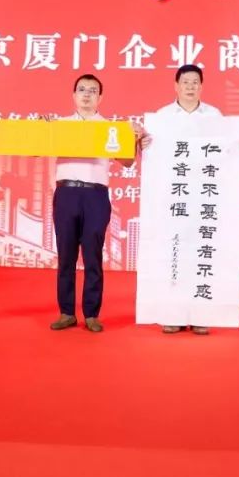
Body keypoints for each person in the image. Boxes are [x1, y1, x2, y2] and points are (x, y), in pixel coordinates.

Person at [139, 64, 221, 335]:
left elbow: (225, 152)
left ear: (201, 86)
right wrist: (143, 145)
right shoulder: (161, 117)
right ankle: (172, 313)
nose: (190, 86)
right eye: (185, 82)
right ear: (176, 85)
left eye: (195, 82)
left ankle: (200, 314)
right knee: (173, 254)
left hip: (203, 198)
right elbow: (154, 156)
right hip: (173, 199)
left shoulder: (214, 117)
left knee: (201, 255)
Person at [50, 73, 135, 333]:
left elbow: (128, 161)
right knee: (66, 256)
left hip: (95, 196)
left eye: (92, 90)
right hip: (66, 193)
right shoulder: (59, 125)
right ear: (74, 95)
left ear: (100, 97)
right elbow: (34, 151)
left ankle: (91, 314)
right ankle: (66, 312)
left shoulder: (111, 128)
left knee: (92, 256)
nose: (86, 94)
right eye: (82, 90)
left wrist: (133, 139)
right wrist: (40, 131)